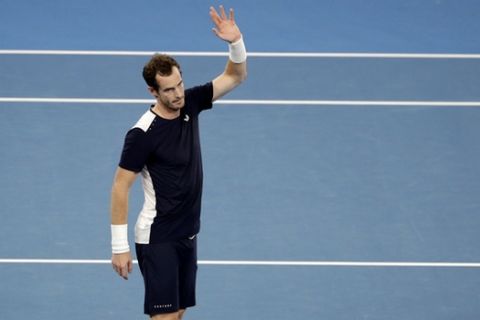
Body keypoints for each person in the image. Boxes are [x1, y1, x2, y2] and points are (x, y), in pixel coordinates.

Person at [109, 5, 247, 320]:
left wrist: (235, 42)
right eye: (168, 90)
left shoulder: (192, 103)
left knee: (179, 312)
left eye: (179, 84)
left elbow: (236, 75)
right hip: (158, 235)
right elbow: (120, 186)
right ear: (152, 90)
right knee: (166, 317)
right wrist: (119, 246)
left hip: (187, 232)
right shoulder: (142, 133)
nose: (177, 94)